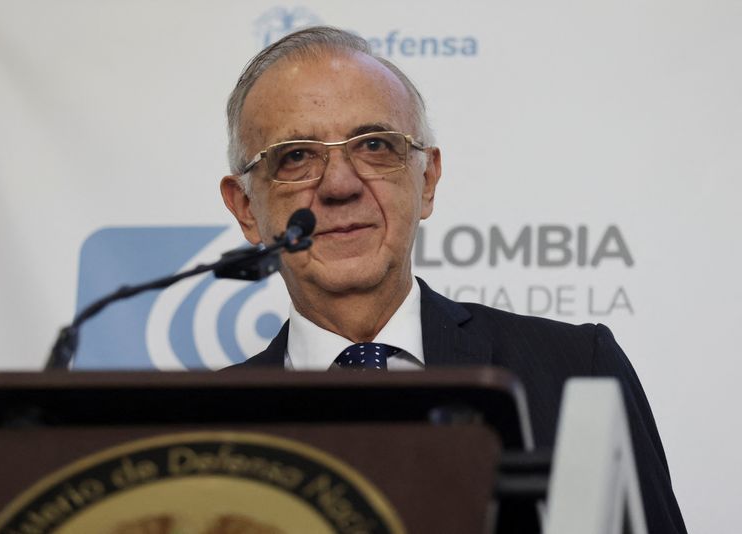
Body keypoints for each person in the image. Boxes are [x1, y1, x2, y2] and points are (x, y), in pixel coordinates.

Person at [219, 26, 686, 533]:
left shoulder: (577, 370)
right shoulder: (203, 426)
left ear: (427, 180)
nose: (339, 184)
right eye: (297, 156)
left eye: (375, 145)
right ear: (246, 207)